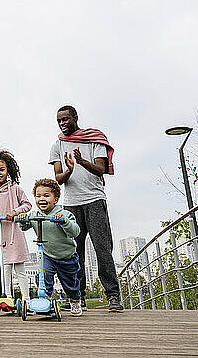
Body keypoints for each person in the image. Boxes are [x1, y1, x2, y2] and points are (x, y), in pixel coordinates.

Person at [49, 105, 124, 312]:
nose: (62, 123)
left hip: (94, 200)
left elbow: (101, 169)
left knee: (102, 249)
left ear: (75, 118)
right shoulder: (57, 145)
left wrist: (81, 161)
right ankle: (77, 297)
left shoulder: (94, 139)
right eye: (59, 121)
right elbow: (58, 178)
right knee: (74, 252)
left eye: (65, 119)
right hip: (71, 203)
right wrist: (70, 170)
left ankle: (113, 296)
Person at [18, 178, 83, 316]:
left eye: (46, 196)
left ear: (56, 199)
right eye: (38, 196)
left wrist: (64, 222)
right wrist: (23, 219)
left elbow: (75, 231)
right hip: (47, 255)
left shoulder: (65, 214)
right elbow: (24, 227)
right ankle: (45, 299)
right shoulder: (34, 215)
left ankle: (75, 299)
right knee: (43, 275)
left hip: (66, 256)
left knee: (70, 282)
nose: (42, 199)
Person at [0, 150, 32, 304]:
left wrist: (14, 212)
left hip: (14, 232)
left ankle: (26, 299)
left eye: (2, 170)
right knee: (5, 268)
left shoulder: (15, 188)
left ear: (8, 170)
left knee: (19, 268)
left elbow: (27, 205)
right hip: (0, 232)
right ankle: (8, 298)